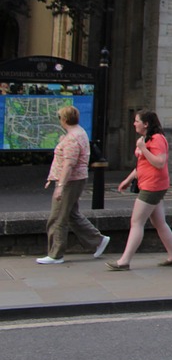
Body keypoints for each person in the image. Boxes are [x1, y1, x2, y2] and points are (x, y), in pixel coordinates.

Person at [107, 110, 172, 270]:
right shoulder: (147, 139)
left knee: (136, 222)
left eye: (137, 121)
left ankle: (124, 261)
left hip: (152, 186)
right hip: (150, 184)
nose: (134, 123)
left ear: (146, 124)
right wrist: (128, 179)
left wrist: (143, 148)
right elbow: (143, 164)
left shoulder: (157, 139)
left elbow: (160, 162)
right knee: (159, 222)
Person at [37, 105, 110, 264]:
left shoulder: (72, 138)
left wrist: (60, 186)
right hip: (76, 179)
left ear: (64, 119)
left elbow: (69, 164)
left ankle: (55, 254)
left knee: (57, 217)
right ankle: (98, 240)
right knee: (71, 214)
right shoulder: (79, 133)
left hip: (70, 181)